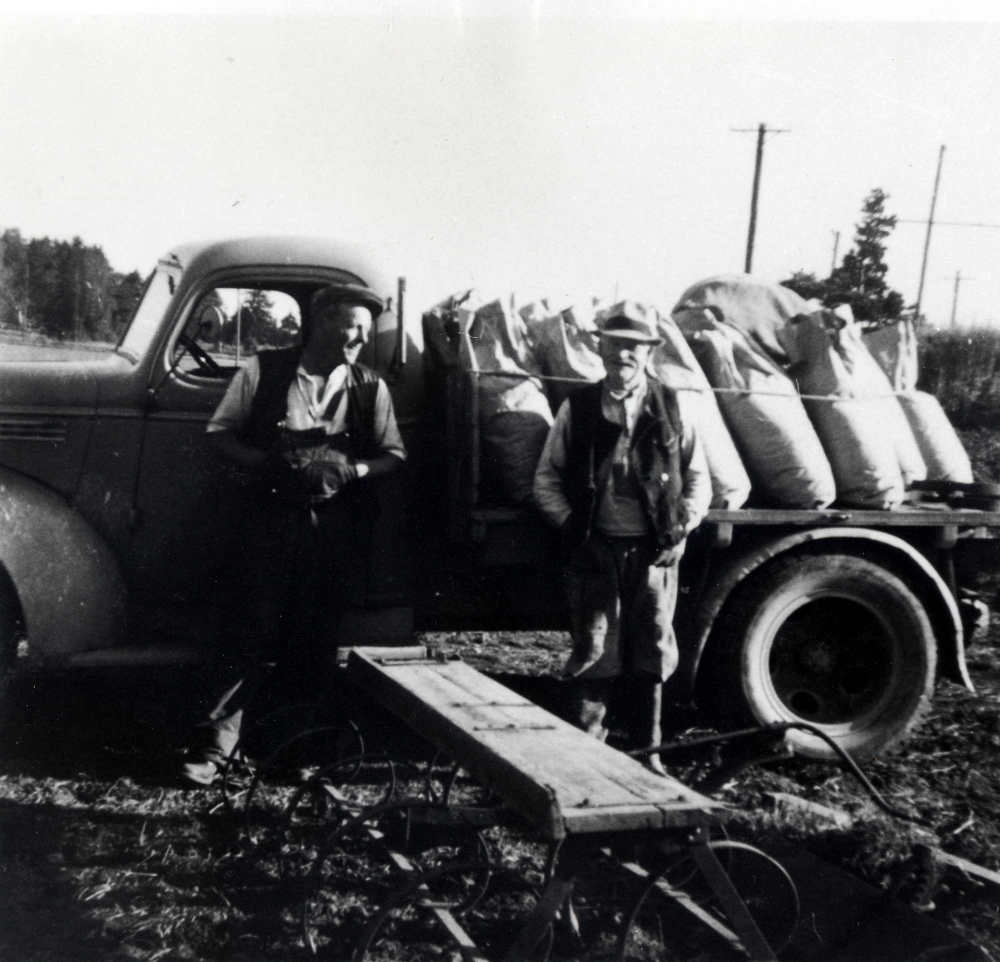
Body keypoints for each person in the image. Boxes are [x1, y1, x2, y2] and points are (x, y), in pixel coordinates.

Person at [181, 283, 406, 786]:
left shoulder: (370, 387)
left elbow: (394, 455)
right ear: (319, 322)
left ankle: (295, 748)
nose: (359, 339)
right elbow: (219, 434)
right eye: (351, 326)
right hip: (269, 519)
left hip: (331, 528)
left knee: (314, 638)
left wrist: (354, 471)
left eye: (366, 331)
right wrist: (272, 466)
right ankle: (214, 749)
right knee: (246, 629)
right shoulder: (264, 371)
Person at [533, 300, 710, 774]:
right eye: (615, 346)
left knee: (652, 646)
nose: (623, 356)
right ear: (601, 349)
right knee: (594, 649)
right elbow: (545, 480)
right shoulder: (580, 407)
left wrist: (680, 529)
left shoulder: (673, 405)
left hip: (654, 552)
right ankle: (587, 759)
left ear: (648, 353)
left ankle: (648, 757)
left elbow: (698, 480)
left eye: (634, 347)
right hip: (597, 552)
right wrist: (574, 527)